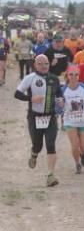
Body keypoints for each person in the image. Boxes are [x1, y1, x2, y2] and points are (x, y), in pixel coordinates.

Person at [14, 54, 62, 187]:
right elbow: (17, 94)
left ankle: (51, 175)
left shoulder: (54, 79)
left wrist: (61, 102)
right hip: (34, 117)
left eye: (46, 63)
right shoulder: (30, 78)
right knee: (37, 145)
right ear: (35, 65)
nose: (43, 66)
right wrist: (31, 99)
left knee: (51, 144)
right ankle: (34, 154)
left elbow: (60, 95)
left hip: (51, 117)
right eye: (40, 63)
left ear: (49, 64)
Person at [60, 65, 84, 174]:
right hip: (69, 121)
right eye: (71, 74)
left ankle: (82, 154)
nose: (74, 77)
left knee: (83, 147)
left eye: (76, 75)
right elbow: (57, 104)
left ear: (79, 76)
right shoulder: (63, 90)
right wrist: (60, 108)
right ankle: (77, 164)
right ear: (67, 76)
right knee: (74, 145)